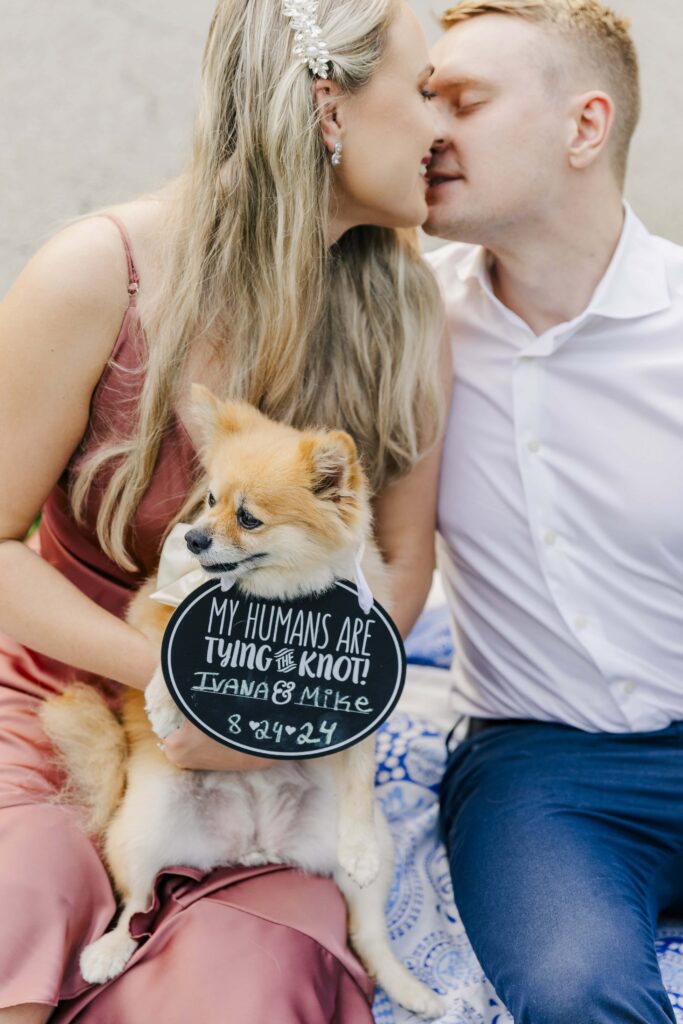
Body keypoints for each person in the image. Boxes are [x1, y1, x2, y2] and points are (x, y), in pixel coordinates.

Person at [0, 1, 449, 1021]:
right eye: (423, 92)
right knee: (20, 910)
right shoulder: (95, 275)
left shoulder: (408, 316)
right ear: (329, 109)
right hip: (61, 702)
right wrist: (174, 680)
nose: (443, 130)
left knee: (252, 989)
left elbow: (402, 556)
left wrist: (288, 704)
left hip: (270, 742)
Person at [424, 0, 683, 1021]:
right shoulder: (405, 327)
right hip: (540, 768)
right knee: (576, 989)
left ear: (584, 126)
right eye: (420, 100)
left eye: (466, 102)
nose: (429, 130)